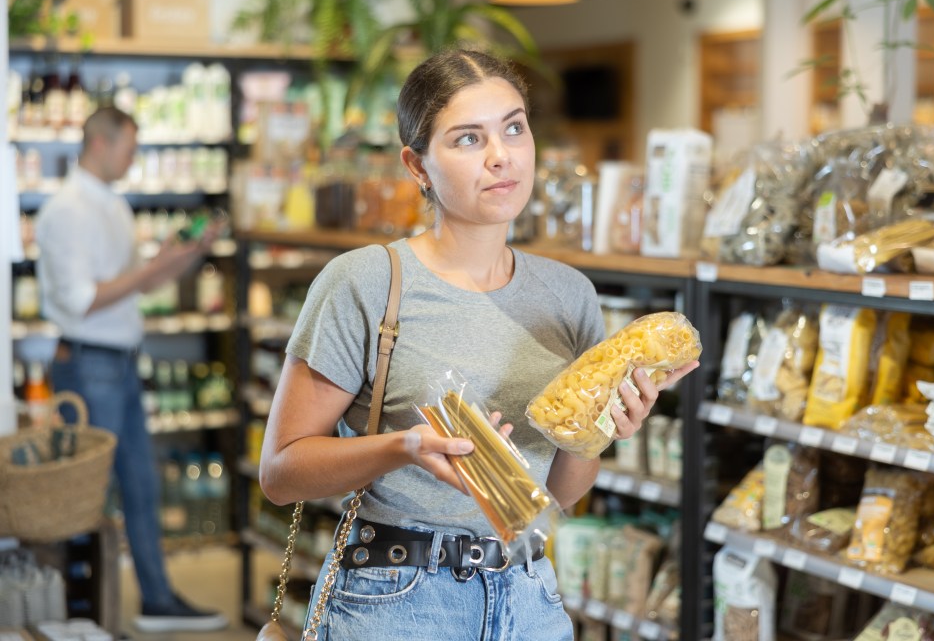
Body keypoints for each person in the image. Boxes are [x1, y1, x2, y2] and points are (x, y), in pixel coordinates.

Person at [260, 48, 698, 640]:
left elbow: (562, 494)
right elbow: (281, 472)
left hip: (528, 594)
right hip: (399, 597)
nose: (501, 156)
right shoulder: (365, 281)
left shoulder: (569, 295)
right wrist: (406, 446)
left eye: (514, 128)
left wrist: (605, 431)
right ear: (417, 166)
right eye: (468, 139)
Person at [35, 106, 228, 633]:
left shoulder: (113, 206)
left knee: (141, 486)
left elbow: (141, 285)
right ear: (100, 143)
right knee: (88, 495)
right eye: (130, 147)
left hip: (119, 363)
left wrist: (186, 254)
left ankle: (156, 599)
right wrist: (150, 267)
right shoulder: (65, 211)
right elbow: (80, 301)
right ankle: (81, 613)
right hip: (88, 364)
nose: (134, 157)